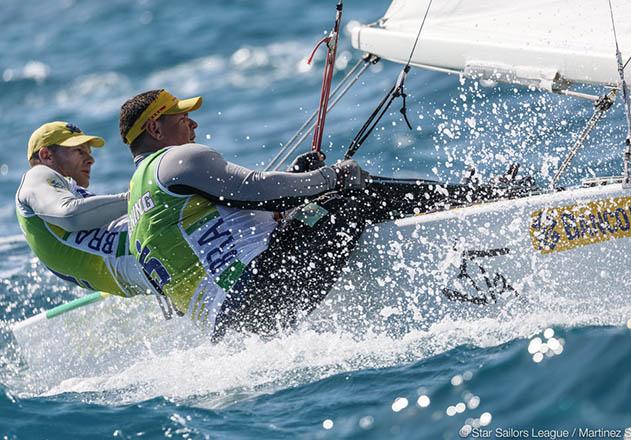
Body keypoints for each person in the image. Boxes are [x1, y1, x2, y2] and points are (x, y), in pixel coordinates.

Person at [120, 89, 485, 340]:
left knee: (323, 201)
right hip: (261, 290)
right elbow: (255, 189)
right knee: (350, 197)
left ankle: (465, 196)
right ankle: (477, 198)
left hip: (233, 324)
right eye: (183, 118)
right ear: (155, 127)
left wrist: (298, 179)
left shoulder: (138, 199)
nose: (193, 126)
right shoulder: (176, 160)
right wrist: (331, 176)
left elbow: (234, 218)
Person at [16, 121, 152, 298]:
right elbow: (70, 215)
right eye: (79, 151)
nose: (91, 159)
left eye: (89, 152)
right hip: (152, 252)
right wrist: (139, 197)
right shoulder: (37, 175)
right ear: (46, 155)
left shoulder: (65, 191)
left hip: (147, 270)